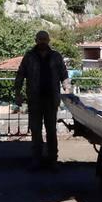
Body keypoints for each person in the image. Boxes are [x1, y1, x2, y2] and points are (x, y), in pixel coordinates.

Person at [13, 30, 68, 169]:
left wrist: (67, 89)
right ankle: (36, 160)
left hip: (51, 100)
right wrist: (17, 93)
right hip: (34, 100)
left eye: (45, 39)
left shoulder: (56, 56)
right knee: (36, 131)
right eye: (40, 39)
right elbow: (20, 74)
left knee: (51, 131)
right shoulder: (29, 56)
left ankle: (52, 160)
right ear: (36, 40)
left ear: (48, 40)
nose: (42, 41)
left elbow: (64, 75)